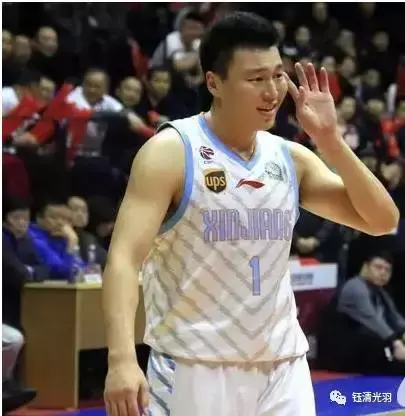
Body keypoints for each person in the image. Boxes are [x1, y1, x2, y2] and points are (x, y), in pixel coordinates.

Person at [103, 12, 399, 416]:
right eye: (256, 79)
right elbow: (123, 259)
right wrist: (121, 359)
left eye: (277, 76)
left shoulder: (289, 157)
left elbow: (383, 221)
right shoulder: (171, 151)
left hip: (283, 364)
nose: (272, 91)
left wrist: (330, 139)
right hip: (193, 365)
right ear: (214, 83)